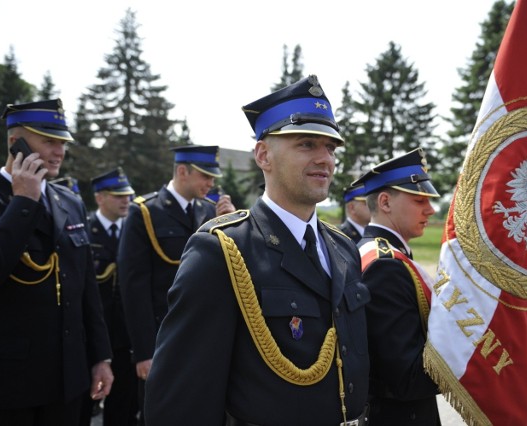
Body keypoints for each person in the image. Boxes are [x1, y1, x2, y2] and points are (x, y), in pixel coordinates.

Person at [144, 75, 370, 425]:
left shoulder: (343, 248)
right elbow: (181, 398)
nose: (325, 158)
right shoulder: (221, 251)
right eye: (307, 144)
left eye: (331, 147)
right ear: (263, 155)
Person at [0, 99, 113, 425]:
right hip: (7, 383)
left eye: (62, 143)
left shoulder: (68, 201)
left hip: (68, 378)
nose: (59, 152)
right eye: (48, 141)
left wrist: (101, 356)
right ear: (17, 143)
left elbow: (86, 289)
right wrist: (23, 203)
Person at [118, 144, 235, 424]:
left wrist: (231, 221)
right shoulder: (145, 212)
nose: (211, 183)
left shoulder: (209, 212)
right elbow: (134, 289)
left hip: (204, 339)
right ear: (182, 171)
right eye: (205, 176)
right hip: (161, 338)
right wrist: (144, 351)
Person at [353, 148, 442, 425]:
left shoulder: (375, 251)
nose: (431, 209)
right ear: (385, 202)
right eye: (419, 200)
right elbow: (406, 378)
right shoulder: (386, 265)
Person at [80, 168, 139, 425]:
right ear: (100, 198)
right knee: (84, 403)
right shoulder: (83, 230)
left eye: (127, 195)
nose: (125, 200)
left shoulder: (136, 231)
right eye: (118, 195)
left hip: (127, 337)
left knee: (124, 406)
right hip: (92, 336)